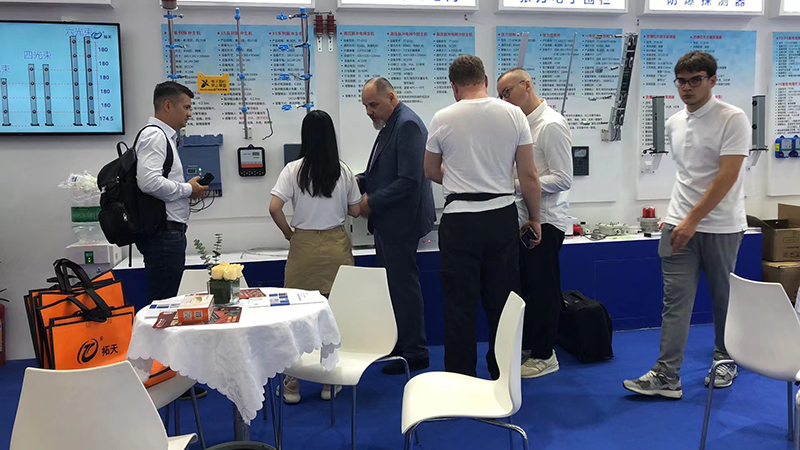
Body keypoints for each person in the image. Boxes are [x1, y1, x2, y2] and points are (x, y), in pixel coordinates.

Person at [623, 51, 750, 399]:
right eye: (681, 81)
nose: (687, 87)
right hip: (678, 224)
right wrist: (678, 218)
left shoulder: (733, 118)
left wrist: (693, 220)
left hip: (722, 226)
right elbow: (687, 175)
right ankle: (667, 375)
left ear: (712, 80)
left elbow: (727, 176)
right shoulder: (674, 122)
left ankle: (725, 359)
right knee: (675, 301)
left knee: (723, 299)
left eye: (695, 80)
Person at [424, 55, 542, 380]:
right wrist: (535, 218)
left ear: (454, 86)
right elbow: (529, 175)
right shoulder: (514, 114)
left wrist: (458, 178)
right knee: (502, 303)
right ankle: (502, 374)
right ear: (486, 80)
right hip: (500, 216)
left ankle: (460, 378)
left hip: (459, 220)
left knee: (458, 305)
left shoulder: (442, 117)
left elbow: (430, 170)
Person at [269, 110, 362, 403]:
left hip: (303, 246)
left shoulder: (293, 170)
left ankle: (292, 383)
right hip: (336, 244)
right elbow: (356, 210)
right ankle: (328, 380)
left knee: (296, 314)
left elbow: (274, 208)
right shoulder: (343, 171)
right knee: (333, 313)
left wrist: (289, 234)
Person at [497, 68, 573, 379]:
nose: (505, 100)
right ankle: (531, 347)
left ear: (527, 85)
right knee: (526, 288)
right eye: (500, 96)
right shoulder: (520, 124)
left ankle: (545, 354)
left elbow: (563, 178)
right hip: (523, 217)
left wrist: (518, 185)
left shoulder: (550, 124)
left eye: (507, 92)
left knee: (543, 289)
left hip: (547, 220)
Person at [357, 77, 436, 375]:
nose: (369, 112)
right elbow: (384, 170)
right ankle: (402, 345)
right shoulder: (391, 123)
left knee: (404, 288)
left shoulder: (407, 125)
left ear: (391, 97)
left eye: (373, 105)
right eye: (365, 106)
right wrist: (356, 181)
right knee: (395, 287)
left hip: (402, 222)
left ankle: (415, 352)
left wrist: (370, 202)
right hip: (390, 222)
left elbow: (410, 181)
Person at [135, 81, 207, 304]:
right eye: (186, 107)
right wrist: (188, 189)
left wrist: (188, 191)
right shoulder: (155, 136)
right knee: (165, 305)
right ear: (167, 106)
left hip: (167, 235)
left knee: (168, 302)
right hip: (163, 236)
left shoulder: (165, 138)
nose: (190, 114)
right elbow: (148, 182)